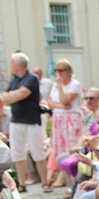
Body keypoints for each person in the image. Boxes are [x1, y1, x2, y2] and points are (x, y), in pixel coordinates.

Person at [0, 53, 48, 191]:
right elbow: (7, 97)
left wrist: (10, 96)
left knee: (37, 151)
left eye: (11, 63)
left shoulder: (31, 78)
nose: (10, 66)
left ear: (18, 65)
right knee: (17, 152)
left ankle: (45, 182)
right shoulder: (15, 79)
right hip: (17, 120)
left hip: (31, 121)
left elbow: (22, 94)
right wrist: (11, 96)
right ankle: (22, 183)